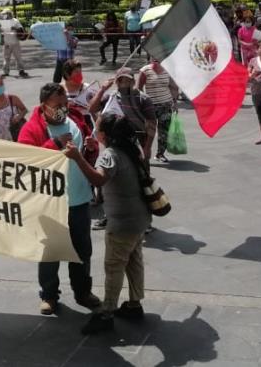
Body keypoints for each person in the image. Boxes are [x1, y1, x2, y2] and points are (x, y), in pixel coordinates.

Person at [17, 83, 101, 315]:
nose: (63, 109)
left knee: (82, 252)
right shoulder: (31, 128)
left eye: (65, 104)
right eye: (58, 105)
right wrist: (54, 143)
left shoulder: (74, 120)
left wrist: (91, 149)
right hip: (49, 204)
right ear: (44, 105)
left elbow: (84, 153)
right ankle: (49, 295)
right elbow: (26, 162)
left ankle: (83, 291)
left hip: (78, 199)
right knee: (49, 253)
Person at [72, 113, 152, 334]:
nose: (94, 130)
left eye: (96, 127)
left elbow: (98, 179)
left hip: (122, 223)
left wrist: (78, 158)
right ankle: (134, 304)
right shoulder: (130, 149)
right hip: (140, 219)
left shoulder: (110, 155)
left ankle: (107, 313)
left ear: (105, 134)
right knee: (134, 261)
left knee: (114, 266)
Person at [89, 68, 157, 231]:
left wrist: (147, 147)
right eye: (121, 80)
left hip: (137, 143)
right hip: (115, 144)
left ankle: (146, 220)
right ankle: (108, 216)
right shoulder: (111, 97)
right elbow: (92, 109)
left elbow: (151, 123)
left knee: (141, 181)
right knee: (111, 182)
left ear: (133, 80)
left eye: (127, 80)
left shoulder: (143, 98)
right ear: (117, 81)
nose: (124, 83)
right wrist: (103, 89)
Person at [138, 60, 178, 163]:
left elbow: (173, 87)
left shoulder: (167, 69)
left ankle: (160, 154)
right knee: (149, 131)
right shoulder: (145, 70)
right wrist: (141, 103)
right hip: (149, 106)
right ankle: (145, 152)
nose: (155, 58)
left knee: (164, 131)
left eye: (157, 57)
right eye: (153, 56)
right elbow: (139, 88)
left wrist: (175, 103)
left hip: (166, 105)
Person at [0, 9, 29, 78]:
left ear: (9, 14)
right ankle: (6, 72)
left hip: (15, 42)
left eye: (5, 14)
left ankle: (21, 70)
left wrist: (15, 28)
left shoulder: (15, 21)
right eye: (3, 14)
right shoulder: (2, 22)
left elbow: (21, 30)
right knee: (6, 58)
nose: (4, 16)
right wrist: (0, 34)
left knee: (18, 57)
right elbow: (1, 32)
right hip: (7, 43)